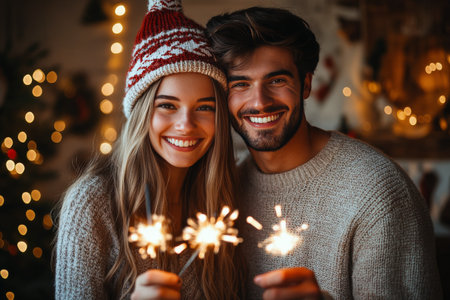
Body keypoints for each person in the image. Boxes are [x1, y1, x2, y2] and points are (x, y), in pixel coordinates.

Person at [206, 6, 442, 300]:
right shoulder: (225, 187)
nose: (260, 102)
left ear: (305, 84)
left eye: (277, 81)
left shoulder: (379, 193)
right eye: (240, 84)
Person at [54, 0, 244, 299]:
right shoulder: (93, 203)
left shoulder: (224, 195)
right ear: (141, 113)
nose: (186, 125)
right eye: (167, 105)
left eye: (204, 107)